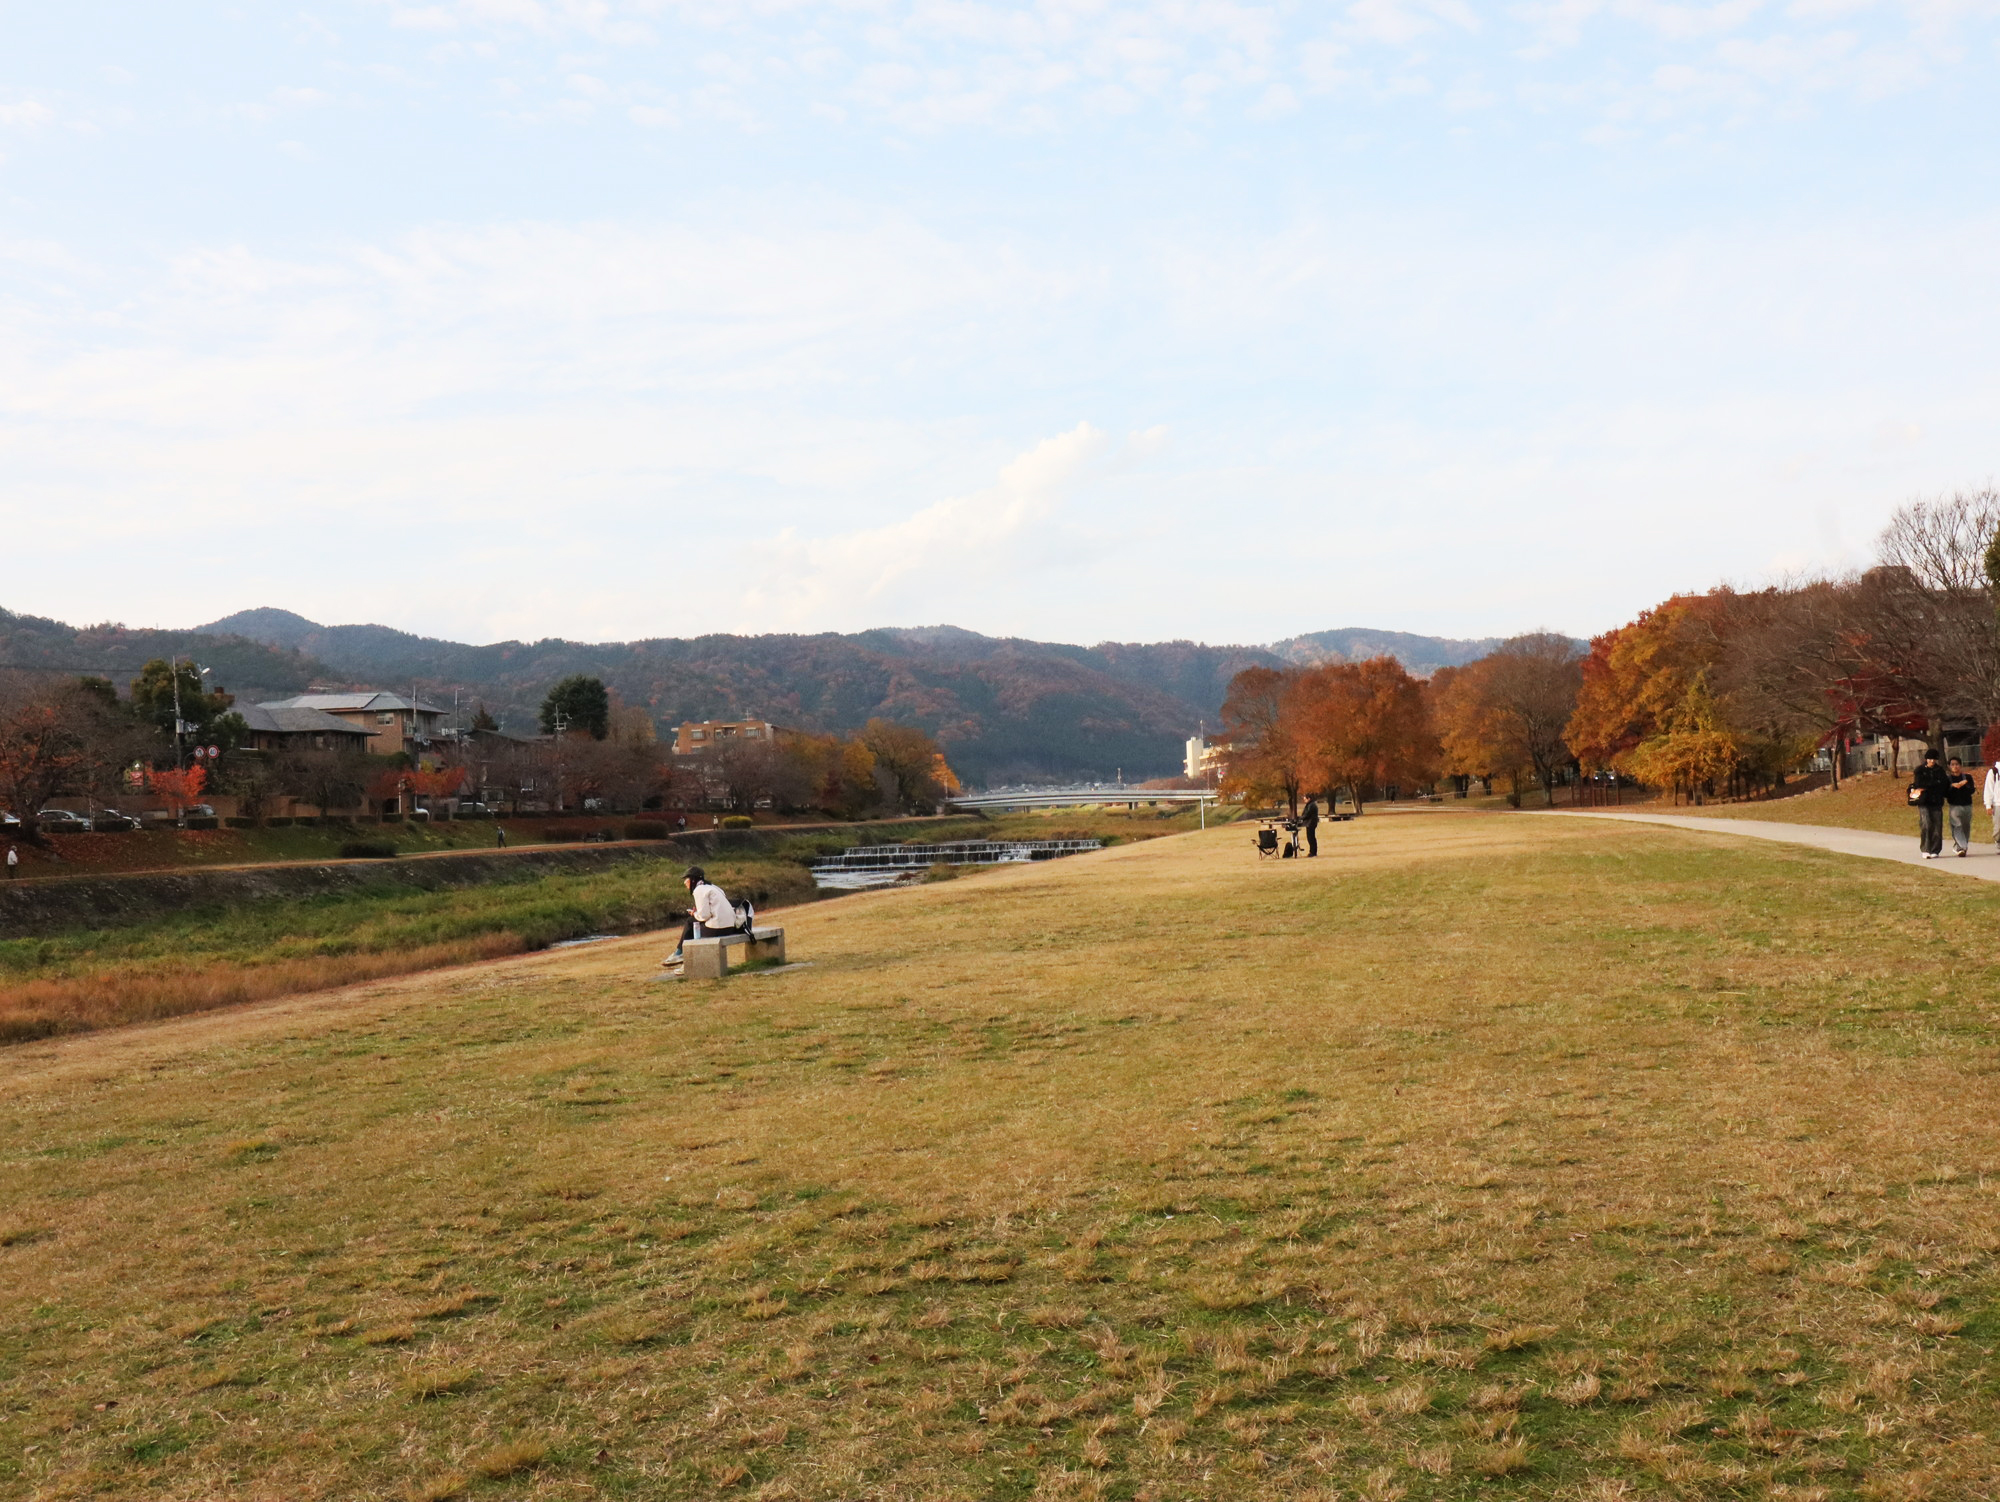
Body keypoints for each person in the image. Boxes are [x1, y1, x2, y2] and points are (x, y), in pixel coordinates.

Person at [663, 865, 743, 968]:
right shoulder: (713, 887)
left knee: (692, 928)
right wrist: (697, 914)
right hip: (730, 927)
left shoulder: (699, 890)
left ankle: (684, 959)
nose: (684, 882)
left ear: (693, 880)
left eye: (686, 879)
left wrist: (695, 914)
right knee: (692, 922)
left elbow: (704, 916)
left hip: (719, 927)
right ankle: (681, 955)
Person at [1912, 750, 1949, 859]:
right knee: (1926, 824)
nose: (1932, 761)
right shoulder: (1920, 770)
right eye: (1930, 759)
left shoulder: (1940, 770)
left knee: (1937, 826)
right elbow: (1919, 784)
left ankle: (1935, 849)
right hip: (1924, 801)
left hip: (1937, 801)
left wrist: (1930, 785)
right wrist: (1934, 783)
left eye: (1934, 759)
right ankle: (1925, 849)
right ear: (1926, 759)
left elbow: (1944, 784)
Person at [1946, 757, 1977, 857]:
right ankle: (1962, 847)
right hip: (1954, 806)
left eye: (1957, 764)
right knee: (1957, 826)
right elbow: (1945, 793)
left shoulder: (1967, 777)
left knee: (1965, 827)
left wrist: (1964, 786)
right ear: (1949, 766)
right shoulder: (1948, 779)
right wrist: (1952, 787)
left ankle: (1962, 846)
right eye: (1952, 764)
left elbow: (1972, 790)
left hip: (1967, 805)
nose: (1955, 766)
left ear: (1960, 765)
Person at [1986, 757, 2000, 851]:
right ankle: (1998, 842)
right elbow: (1989, 788)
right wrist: (1988, 804)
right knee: (1998, 827)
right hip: (1997, 803)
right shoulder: (1994, 771)